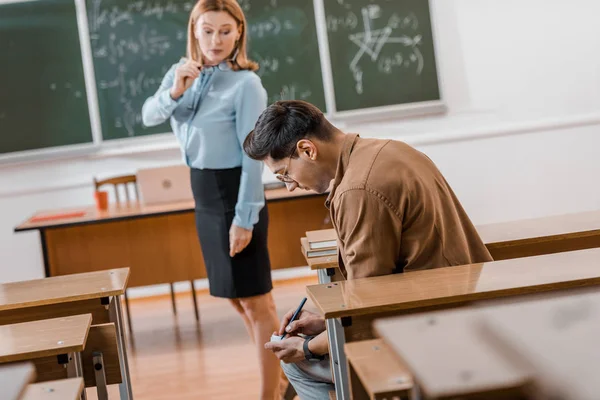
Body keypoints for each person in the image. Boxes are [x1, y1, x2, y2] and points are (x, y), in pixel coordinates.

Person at [242, 100, 493, 399]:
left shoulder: (357, 190)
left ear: (308, 150)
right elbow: (378, 286)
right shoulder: (389, 149)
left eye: (284, 174)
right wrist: (326, 321)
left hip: (432, 325)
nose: (290, 186)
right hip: (465, 304)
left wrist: (308, 347)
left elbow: (366, 310)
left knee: (296, 365)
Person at [141, 1, 280, 398]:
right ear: (194, 31)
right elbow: (150, 114)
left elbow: (252, 157)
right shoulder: (182, 74)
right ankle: (283, 380)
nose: (215, 40)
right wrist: (175, 90)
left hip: (232, 193)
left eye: (224, 31)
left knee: (256, 302)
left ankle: (271, 393)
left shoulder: (246, 84)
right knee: (236, 299)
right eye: (207, 31)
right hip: (203, 195)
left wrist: (244, 218)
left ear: (239, 32)